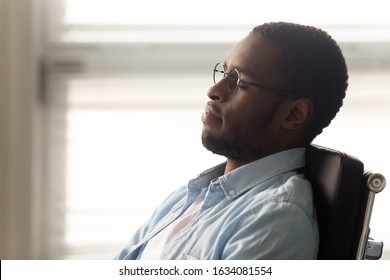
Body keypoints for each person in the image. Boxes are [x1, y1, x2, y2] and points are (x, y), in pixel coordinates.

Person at [115, 22, 348, 260]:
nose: (213, 90)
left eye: (239, 82)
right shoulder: (191, 194)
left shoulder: (274, 218)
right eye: (224, 73)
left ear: (293, 114)